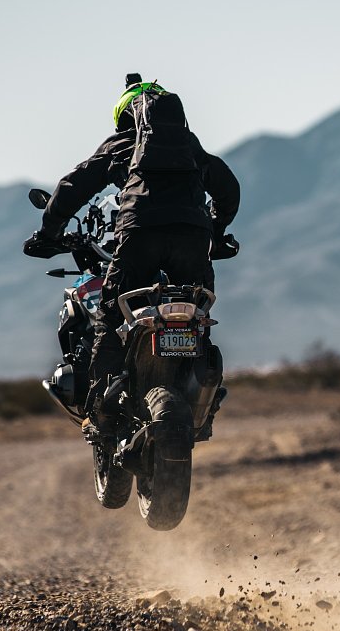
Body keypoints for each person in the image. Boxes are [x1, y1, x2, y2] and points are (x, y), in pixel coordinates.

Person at [24, 73, 240, 435]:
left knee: (110, 315)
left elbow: (73, 187)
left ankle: (102, 414)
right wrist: (215, 233)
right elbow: (228, 188)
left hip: (139, 234)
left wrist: (48, 233)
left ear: (126, 116)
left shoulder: (122, 145)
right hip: (192, 238)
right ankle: (201, 402)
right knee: (196, 314)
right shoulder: (189, 147)